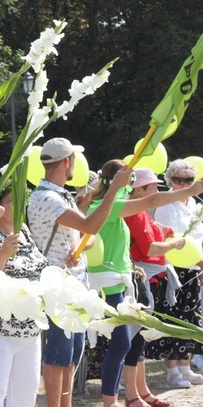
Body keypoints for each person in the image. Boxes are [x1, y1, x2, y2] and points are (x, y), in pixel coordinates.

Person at [86, 159, 203, 407]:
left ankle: (126, 397)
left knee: (127, 343)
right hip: (108, 284)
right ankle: (112, 401)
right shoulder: (106, 205)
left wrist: (130, 265)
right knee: (120, 345)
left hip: (121, 280)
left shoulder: (110, 205)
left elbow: (118, 245)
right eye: (130, 179)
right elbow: (150, 203)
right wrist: (189, 191)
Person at [27, 138, 132, 407]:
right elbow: (92, 225)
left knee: (72, 353)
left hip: (72, 282)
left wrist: (78, 244)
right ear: (66, 162)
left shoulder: (62, 196)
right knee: (60, 353)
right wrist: (113, 190)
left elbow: (89, 236)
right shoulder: (46, 197)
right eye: (74, 159)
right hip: (57, 283)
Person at [0, 181, 50, 406]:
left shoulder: (23, 230)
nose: (19, 206)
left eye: (21, 201)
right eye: (11, 201)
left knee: (26, 397)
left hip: (30, 332)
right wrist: (4, 252)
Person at [122, 168, 180, 407]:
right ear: (138, 190)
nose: (157, 191)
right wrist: (175, 243)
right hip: (140, 276)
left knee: (141, 338)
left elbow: (152, 238)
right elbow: (150, 250)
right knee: (134, 338)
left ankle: (141, 391)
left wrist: (164, 233)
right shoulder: (134, 213)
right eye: (152, 187)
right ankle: (132, 395)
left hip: (149, 277)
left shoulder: (140, 211)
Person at [146, 159, 203, 389]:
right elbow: (170, 238)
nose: (183, 184)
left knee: (190, 318)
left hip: (195, 267)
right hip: (174, 268)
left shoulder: (196, 205)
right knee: (173, 317)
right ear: (170, 180)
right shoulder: (166, 206)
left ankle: (185, 366)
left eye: (188, 180)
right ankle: (172, 371)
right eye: (178, 180)